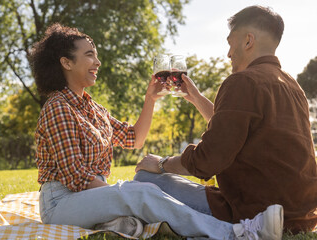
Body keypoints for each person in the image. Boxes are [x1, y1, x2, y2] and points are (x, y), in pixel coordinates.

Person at [31, 22, 284, 240]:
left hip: (88, 194)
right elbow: (76, 178)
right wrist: (123, 193)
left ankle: (115, 224)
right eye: (89, 55)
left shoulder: (92, 108)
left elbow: (134, 139)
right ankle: (235, 234)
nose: (97, 62)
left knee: (141, 186)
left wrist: (150, 99)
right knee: (138, 192)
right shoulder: (58, 108)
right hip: (61, 203)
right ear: (66, 62)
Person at [135, 5, 317, 239]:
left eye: (230, 43)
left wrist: (162, 163)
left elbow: (208, 160)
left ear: (248, 41)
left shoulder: (242, 81)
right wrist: (196, 98)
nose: (228, 53)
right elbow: (233, 131)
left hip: (257, 211)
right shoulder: (292, 85)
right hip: (301, 214)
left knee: (144, 179)